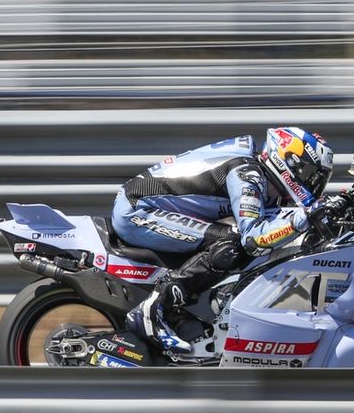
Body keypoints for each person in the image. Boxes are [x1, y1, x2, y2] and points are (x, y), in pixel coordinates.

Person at [111, 126, 335, 352]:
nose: (312, 183)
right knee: (231, 244)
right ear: (289, 161)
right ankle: (152, 310)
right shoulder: (248, 173)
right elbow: (254, 238)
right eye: (309, 173)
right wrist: (304, 217)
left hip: (151, 207)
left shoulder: (265, 183)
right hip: (137, 210)